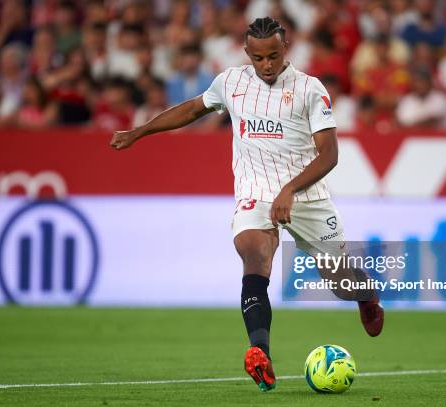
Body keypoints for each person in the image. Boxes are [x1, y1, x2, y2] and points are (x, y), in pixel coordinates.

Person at [109, 17, 384, 392]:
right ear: (247, 54)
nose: (267, 65)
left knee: (340, 282)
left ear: (285, 48)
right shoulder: (231, 83)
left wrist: (289, 190)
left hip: (308, 197)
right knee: (255, 257)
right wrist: (140, 132)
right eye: (259, 58)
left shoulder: (309, 89)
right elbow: (191, 109)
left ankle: (366, 298)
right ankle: (261, 353)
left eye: (273, 55)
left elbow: (330, 154)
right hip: (255, 193)